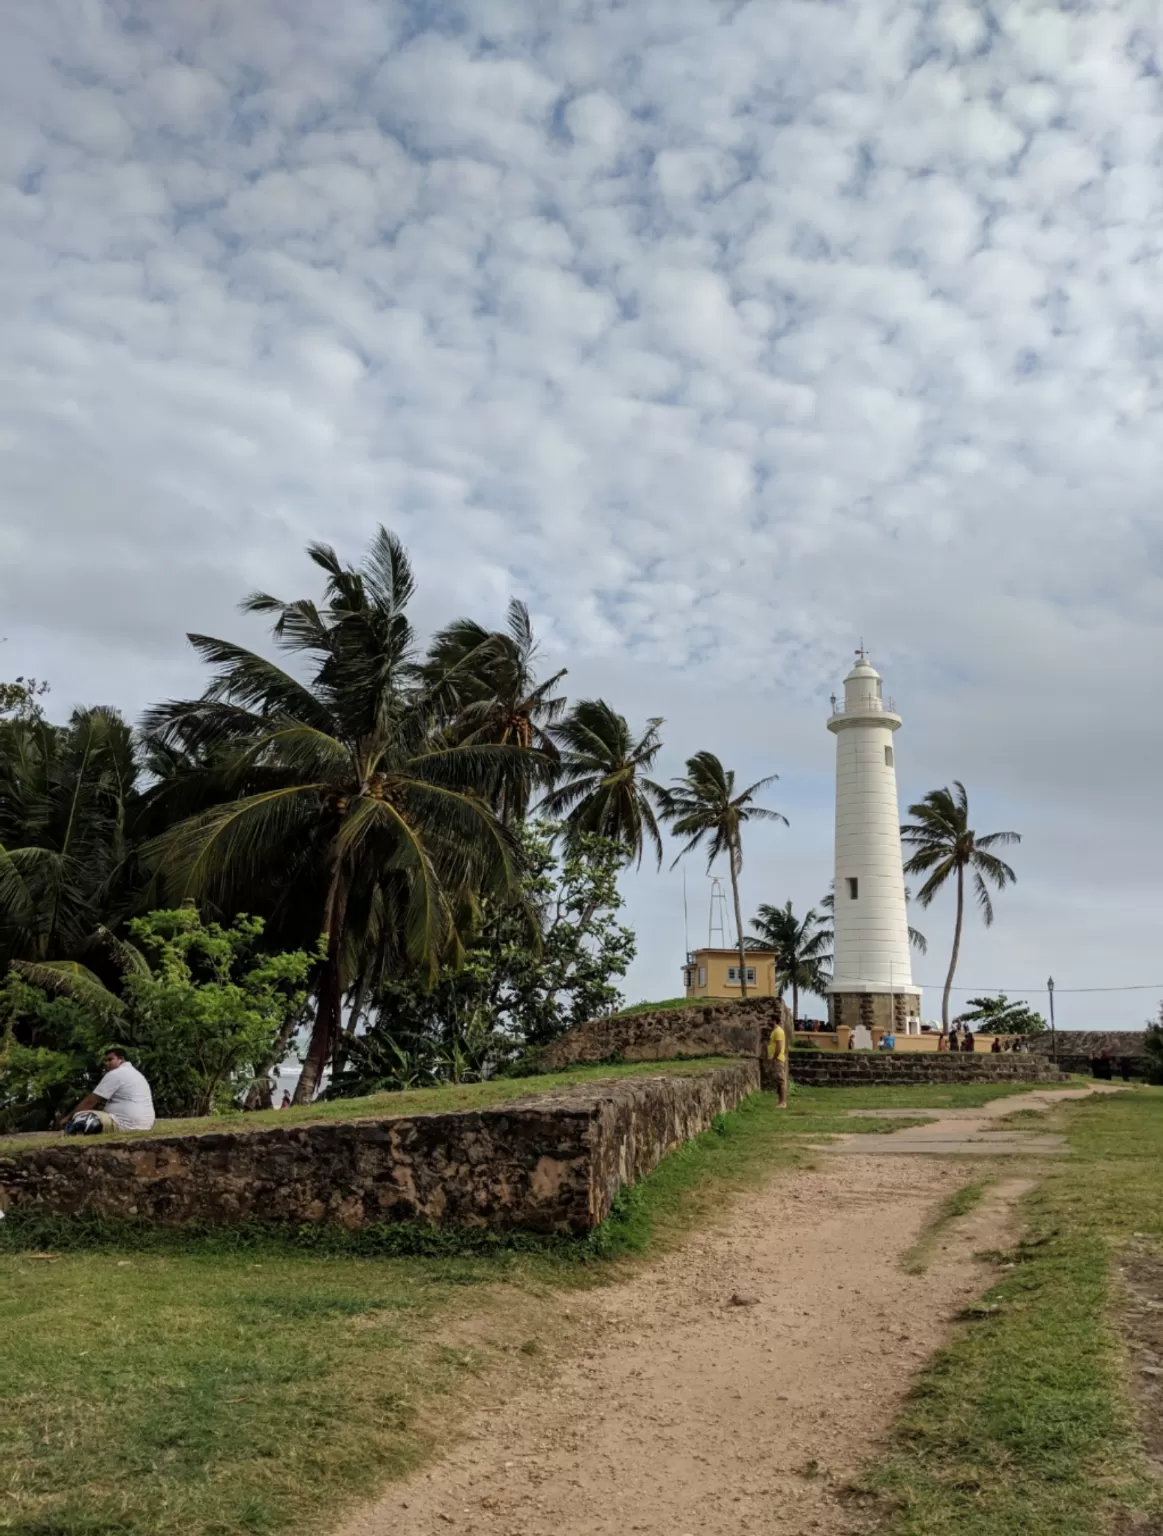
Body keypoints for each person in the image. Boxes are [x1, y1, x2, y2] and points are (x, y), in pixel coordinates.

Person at [65, 1047, 155, 1135]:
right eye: (106, 1061)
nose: (107, 1063)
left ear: (121, 1059)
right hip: (146, 1125)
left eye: (110, 1059)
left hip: (124, 1124)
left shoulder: (116, 1073)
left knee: (82, 1117)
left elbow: (91, 1101)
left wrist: (68, 1118)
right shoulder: (136, 1074)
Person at [766, 1018, 788, 1109]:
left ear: (774, 1020)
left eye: (769, 1020)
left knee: (780, 1080)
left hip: (778, 1059)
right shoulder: (775, 1031)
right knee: (778, 1081)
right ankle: (780, 1100)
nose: (768, 1022)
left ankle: (783, 1102)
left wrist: (775, 1057)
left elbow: (778, 1046)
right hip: (775, 1058)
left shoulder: (778, 1031)